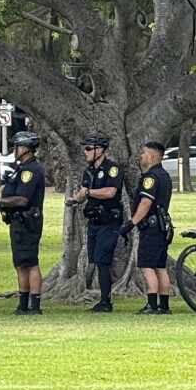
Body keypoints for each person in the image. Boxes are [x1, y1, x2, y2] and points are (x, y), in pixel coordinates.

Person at [0, 130, 46, 315]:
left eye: (17, 146)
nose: (14, 150)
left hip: (27, 220)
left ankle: (34, 306)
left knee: (30, 262)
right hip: (18, 221)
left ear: (25, 148)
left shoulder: (30, 171)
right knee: (20, 263)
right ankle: (22, 304)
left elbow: (22, 199)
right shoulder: (22, 169)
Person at [68, 133, 124, 312]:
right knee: (96, 259)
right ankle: (102, 298)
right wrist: (75, 200)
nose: (85, 152)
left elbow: (109, 192)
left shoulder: (112, 169)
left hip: (108, 221)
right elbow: (83, 191)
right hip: (94, 222)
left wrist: (88, 193)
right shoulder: (89, 171)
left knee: (102, 260)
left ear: (99, 150)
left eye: (88, 149)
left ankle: (106, 301)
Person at [124, 141, 174, 315]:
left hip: (151, 227)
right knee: (160, 266)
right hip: (162, 226)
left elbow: (146, 203)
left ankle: (152, 304)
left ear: (151, 156)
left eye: (143, 153)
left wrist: (132, 223)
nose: (141, 156)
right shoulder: (165, 175)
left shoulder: (150, 178)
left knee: (146, 266)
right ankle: (164, 305)